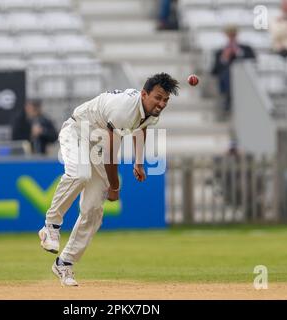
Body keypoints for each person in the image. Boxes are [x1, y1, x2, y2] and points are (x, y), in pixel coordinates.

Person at [37, 73, 180, 286]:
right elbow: (111, 155)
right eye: (158, 97)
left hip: (98, 144)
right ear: (144, 94)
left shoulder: (151, 112)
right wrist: (115, 186)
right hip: (77, 132)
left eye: (165, 100)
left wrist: (138, 162)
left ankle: (64, 263)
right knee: (80, 174)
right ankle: (51, 226)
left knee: (94, 210)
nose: (161, 103)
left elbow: (142, 128)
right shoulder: (124, 109)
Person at [211, 25, 256, 116]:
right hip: (226, 79)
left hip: (244, 77)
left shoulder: (246, 49)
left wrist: (238, 52)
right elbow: (214, 70)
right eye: (230, 35)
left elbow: (253, 61)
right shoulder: (220, 52)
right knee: (228, 74)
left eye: (233, 35)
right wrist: (224, 58)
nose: (232, 37)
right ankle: (229, 101)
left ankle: (229, 102)